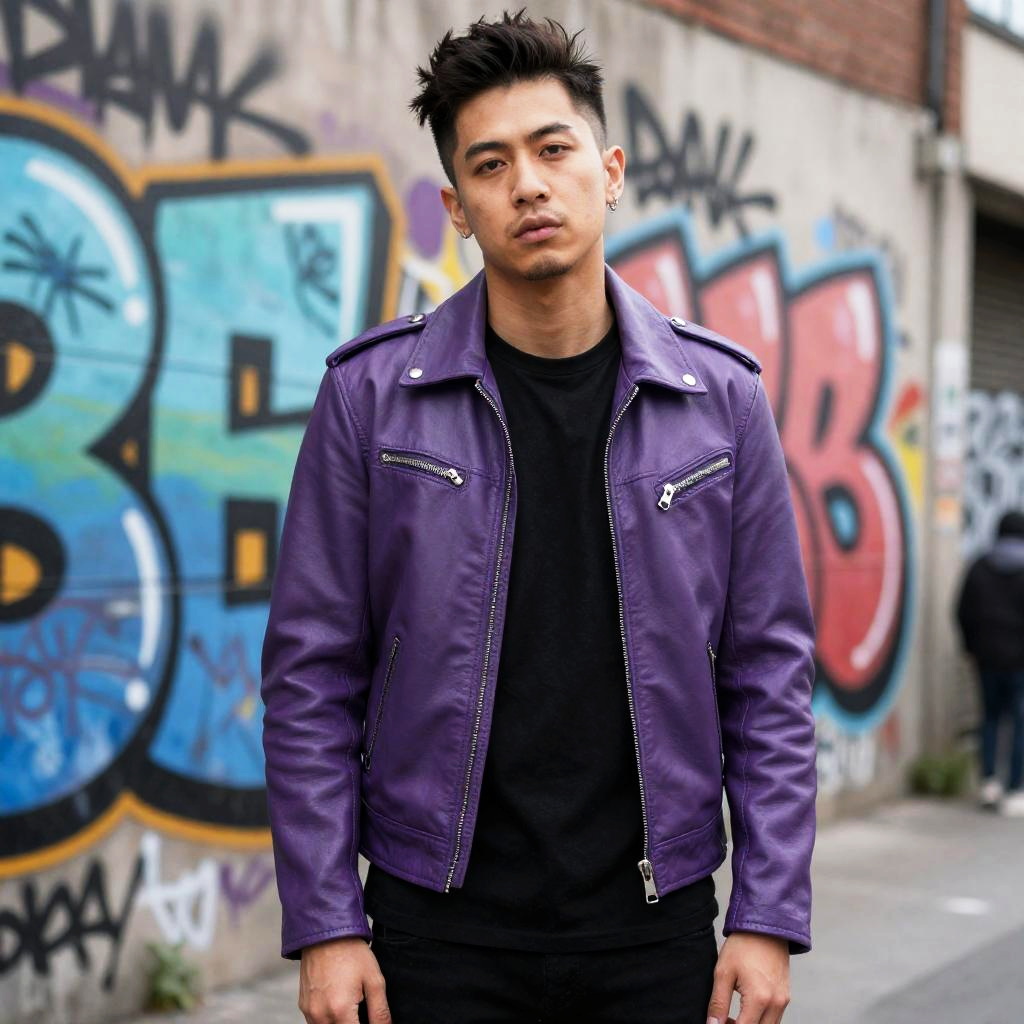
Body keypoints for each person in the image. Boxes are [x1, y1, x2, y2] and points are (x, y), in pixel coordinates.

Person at [260, 11, 817, 1024]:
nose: (527, 182)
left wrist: (767, 913)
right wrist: (327, 922)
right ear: (458, 207)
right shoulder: (372, 398)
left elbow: (768, 675)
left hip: (653, 927)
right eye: (490, 164)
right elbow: (310, 677)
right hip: (438, 930)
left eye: (552, 149)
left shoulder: (719, 399)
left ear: (606, 170)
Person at [955, 509, 1024, 817]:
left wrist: (972, 647)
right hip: (1019, 662)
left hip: (986, 658)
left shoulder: (980, 567)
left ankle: (988, 783)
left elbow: (962, 610)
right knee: (1020, 724)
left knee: (990, 719)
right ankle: (1015, 788)